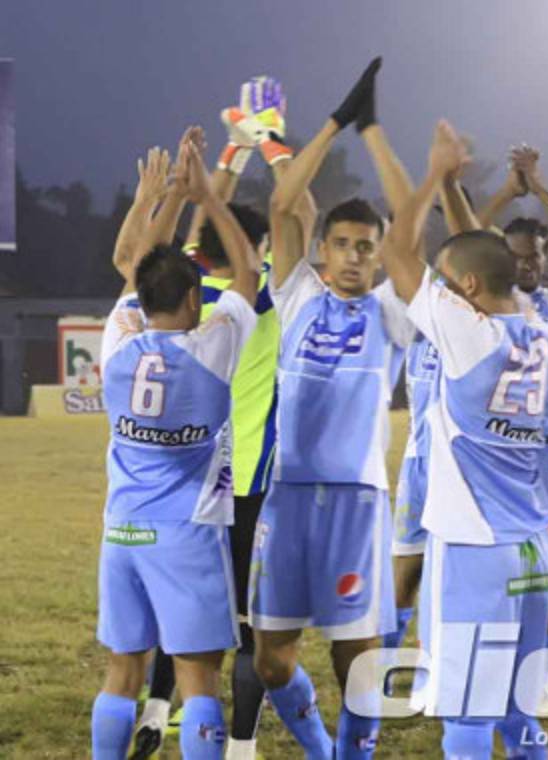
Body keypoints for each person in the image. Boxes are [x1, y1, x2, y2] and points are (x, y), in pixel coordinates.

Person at [123, 77, 312, 760]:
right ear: (255, 253)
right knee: (245, 622)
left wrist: (222, 164)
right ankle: (238, 746)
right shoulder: (259, 301)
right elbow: (293, 214)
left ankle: (153, 709)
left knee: (187, 606)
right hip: (248, 481)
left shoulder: (190, 293)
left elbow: (200, 234)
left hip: (182, 479)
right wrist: (263, 138)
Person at [248, 57, 411, 760]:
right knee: (270, 660)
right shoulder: (298, 295)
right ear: (321, 251)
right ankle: (319, 748)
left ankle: (353, 756)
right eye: (341, 245)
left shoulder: (392, 311)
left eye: (365, 249)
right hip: (286, 496)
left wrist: (372, 131)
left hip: (357, 499)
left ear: (378, 258)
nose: (352, 257)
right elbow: (284, 202)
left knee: (358, 656)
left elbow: (411, 217)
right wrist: (335, 121)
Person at [383, 119, 548, 760]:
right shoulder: (541, 330)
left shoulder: (469, 336)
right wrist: (461, 191)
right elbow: (471, 255)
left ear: (465, 290)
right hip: (532, 550)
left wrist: (432, 176)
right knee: (518, 716)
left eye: (447, 277)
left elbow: (396, 255)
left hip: (473, 553)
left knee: (463, 716)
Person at [91, 135, 260, 759]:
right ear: (194, 299)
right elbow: (246, 271)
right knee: (198, 680)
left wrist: (151, 199)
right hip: (187, 534)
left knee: (122, 672)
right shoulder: (212, 349)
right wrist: (210, 199)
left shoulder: (118, 340)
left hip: (122, 531)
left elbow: (134, 262)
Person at [450, 144, 548, 684]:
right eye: (515, 256)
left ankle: (536, 678)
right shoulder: (480, 303)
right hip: (488, 457)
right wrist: (504, 195)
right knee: (487, 575)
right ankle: (477, 672)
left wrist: (540, 188)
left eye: (536, 255)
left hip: (545, 460)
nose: (527, 264)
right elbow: (456, 251)